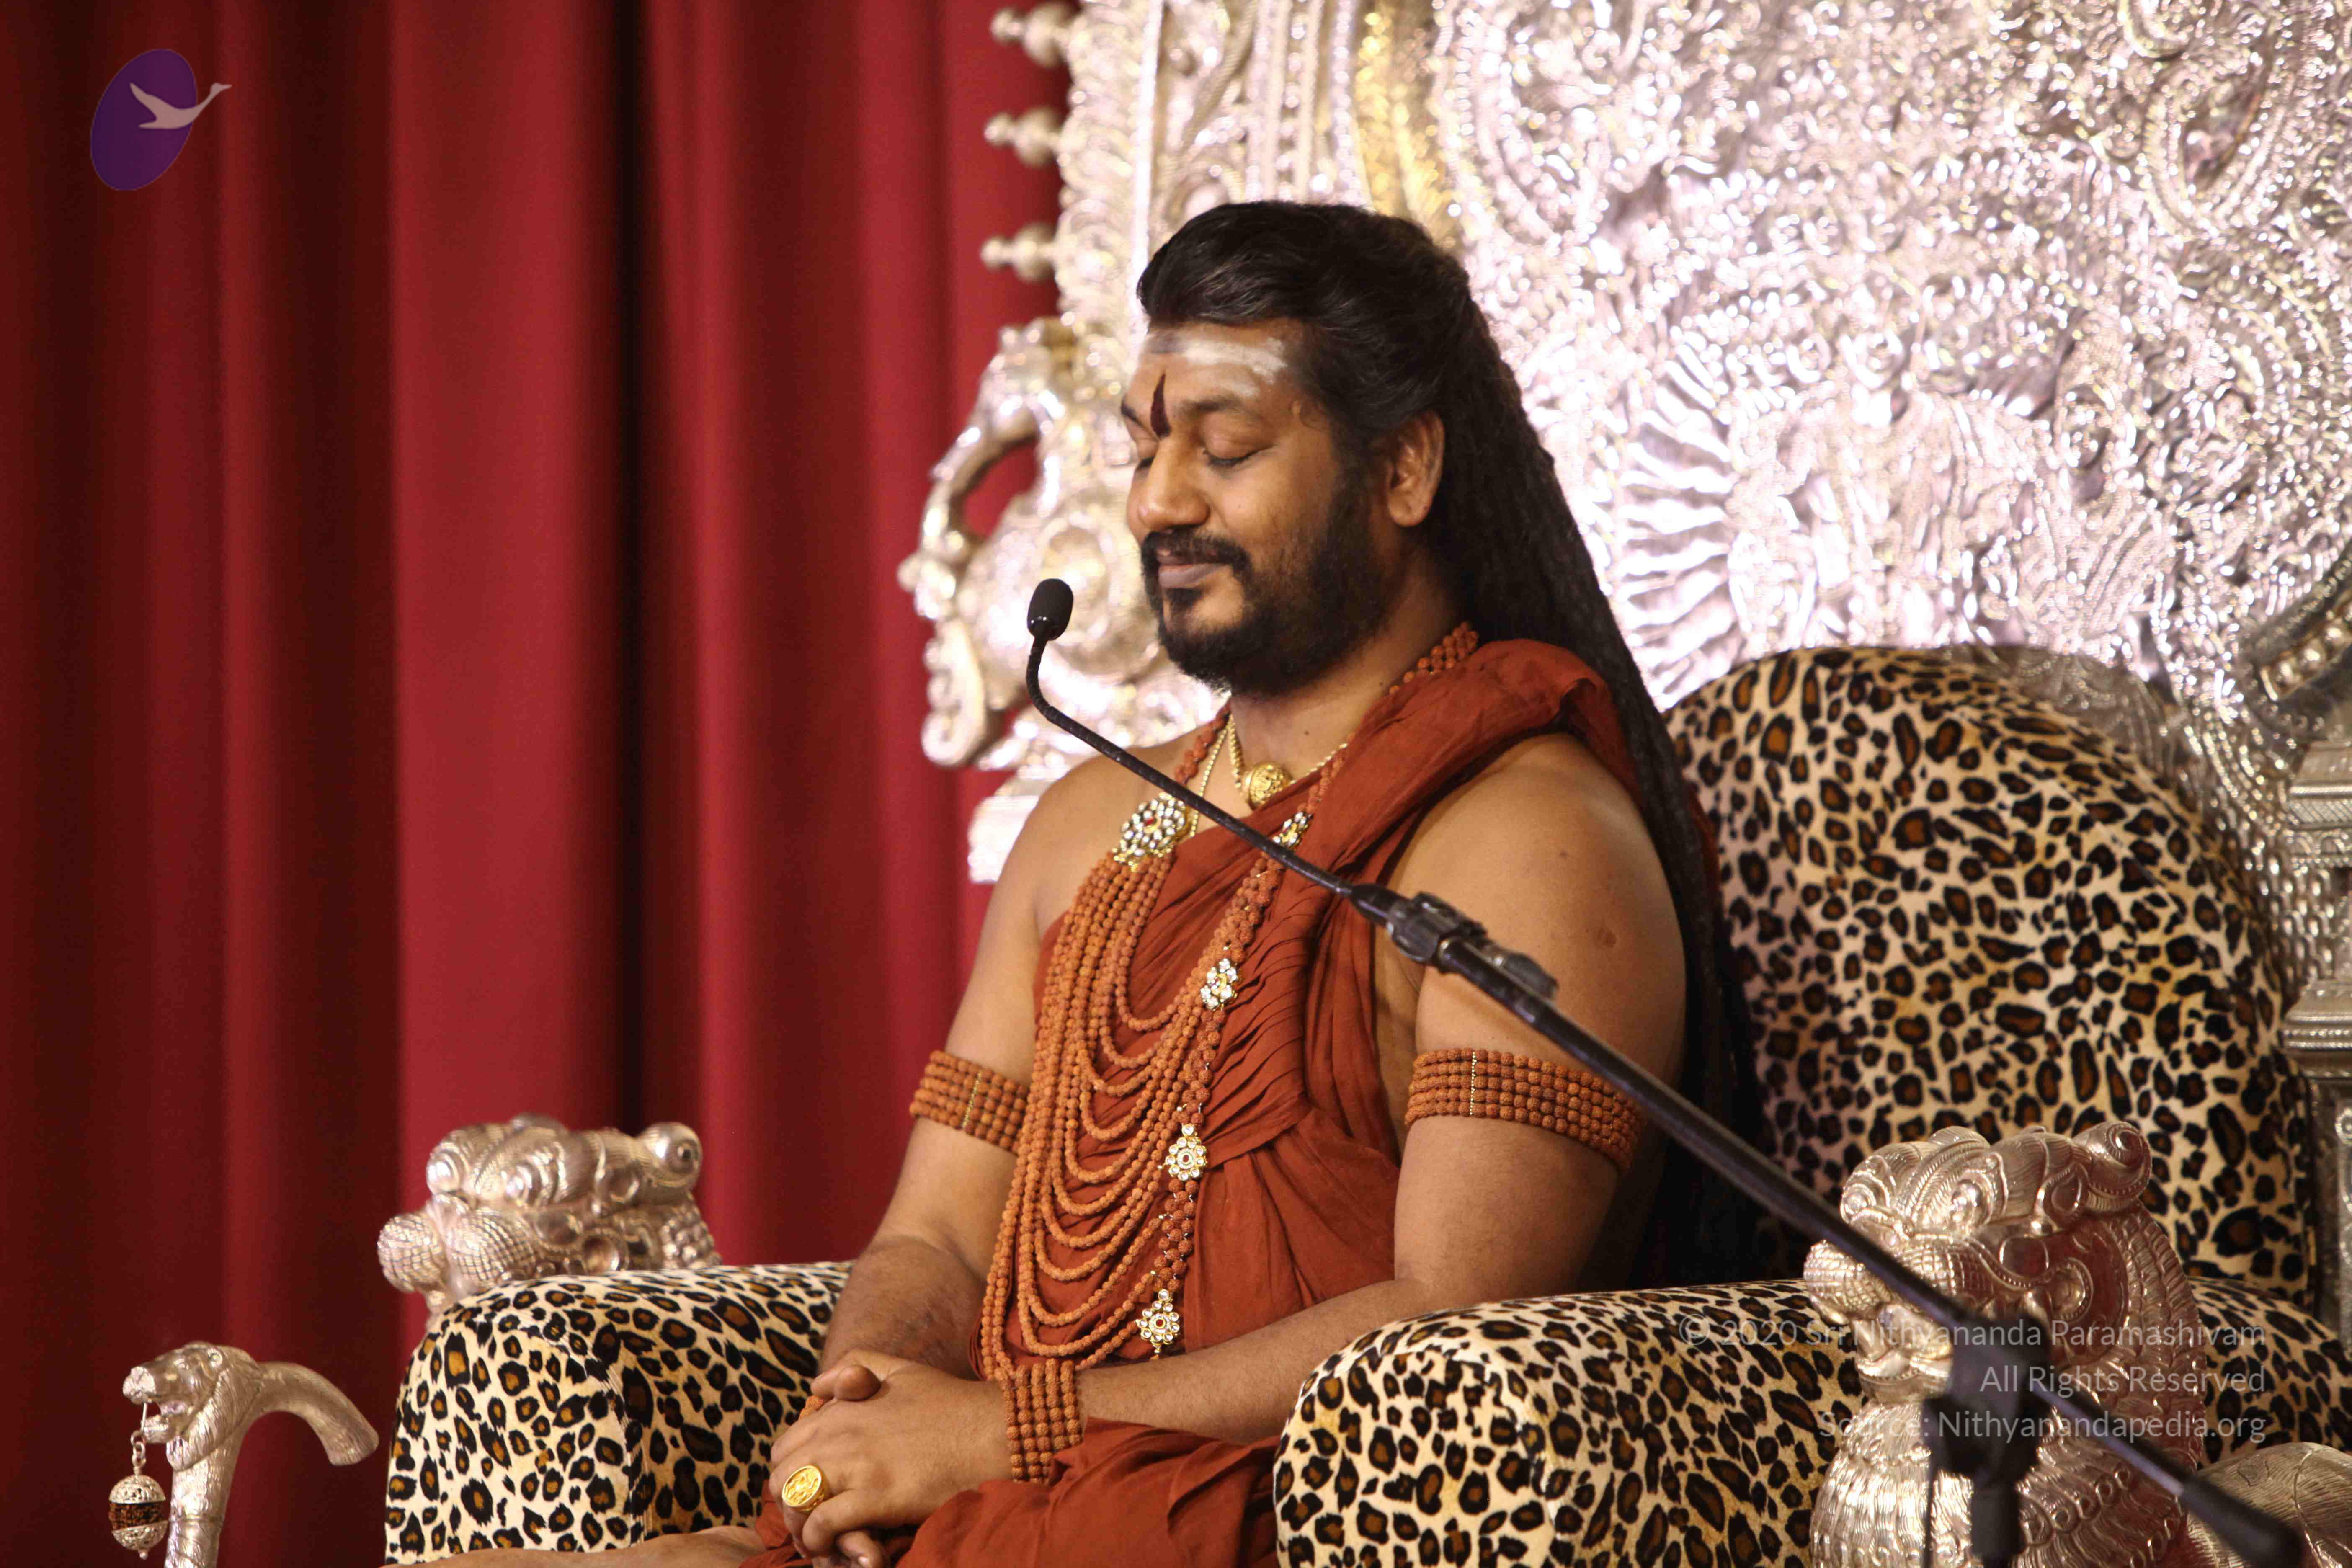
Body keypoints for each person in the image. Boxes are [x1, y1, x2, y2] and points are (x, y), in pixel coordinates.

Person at [431, 199, 1753, 1568]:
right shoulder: (1087, 829)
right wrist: (858, 1427)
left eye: (1224, 447)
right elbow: (941, 1237)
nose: (1157, 500)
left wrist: (998, 1435)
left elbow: (1448, 1323)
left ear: (1406, 467)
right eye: (1142, 446)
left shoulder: (1521, 838)